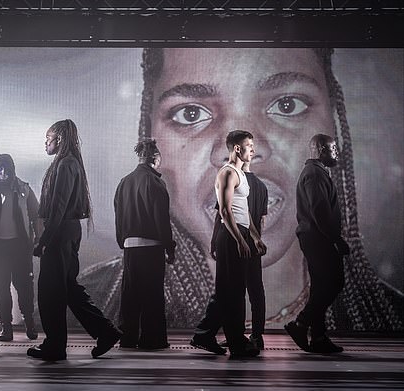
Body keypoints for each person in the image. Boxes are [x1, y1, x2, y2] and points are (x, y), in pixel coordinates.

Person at [80, 48, 403, 333]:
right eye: (190, 113)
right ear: (149, 134)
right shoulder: (84, 309)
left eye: (287, 105)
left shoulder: (389, 317)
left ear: (334, 125)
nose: (248, 148)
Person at [28, 119, 121, 361]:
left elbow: (58, 207)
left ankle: (55, 345)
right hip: (66, 232)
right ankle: (105, 331)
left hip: (60, 233)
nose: (45, 144)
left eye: (47, 139)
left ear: (58, 138)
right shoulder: (68, 164)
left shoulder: (65, 165)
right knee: (68, 289)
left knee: (50, 291)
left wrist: (44, 239)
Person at [190, 130, 266, 358]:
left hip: (239, 233)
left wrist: (255, 236)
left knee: (230, 291)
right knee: (230, 292)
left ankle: (212, 336)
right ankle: (234, 342)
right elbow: (224, 211)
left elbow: (244, 213)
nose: (253, 149)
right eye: (249, 145)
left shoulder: (240, 175)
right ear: (236, 148)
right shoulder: (227, 173)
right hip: (230, 236)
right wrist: (240, 239)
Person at [285, 134, 350, 353]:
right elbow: (320, 212)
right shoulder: (314, 174)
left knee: (321, 287)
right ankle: (300, 324)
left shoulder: (316, 172)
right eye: (333, 148)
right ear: (322, 149)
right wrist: (336, 239)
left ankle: (319, 338)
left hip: (315, 238)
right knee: (334, 282)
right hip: (318, 239)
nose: (336, 152)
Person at [114, 138, 175, 350]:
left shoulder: (124, 182)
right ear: (154, 157)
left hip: (130, 246)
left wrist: (122, 240)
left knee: (130, 295)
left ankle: (128, 338)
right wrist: (170, 247)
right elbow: (162, 219)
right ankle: (153, 339)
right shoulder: (156, 183)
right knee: (152, 295)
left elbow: (119, 216)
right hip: (152, 246)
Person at [0, 154, 41, 342]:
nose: (2, 172)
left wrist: (39, 241)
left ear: (12, 170)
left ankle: (29, 324)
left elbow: (37, 216)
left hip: (20, 246)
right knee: (1, 288)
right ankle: (6, 328)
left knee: (25, 287)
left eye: (6, 168)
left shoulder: (24, 190)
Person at [209, 158, 268, 350]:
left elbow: (222, 215)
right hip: (251, 241)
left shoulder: (233, 179)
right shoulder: (261, 186)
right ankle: (257, 335)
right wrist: (257, 238)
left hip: (236, 240)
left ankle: (236, 333)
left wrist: (215, 239)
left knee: (234, 289)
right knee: (255, 289)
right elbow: (261, 219)